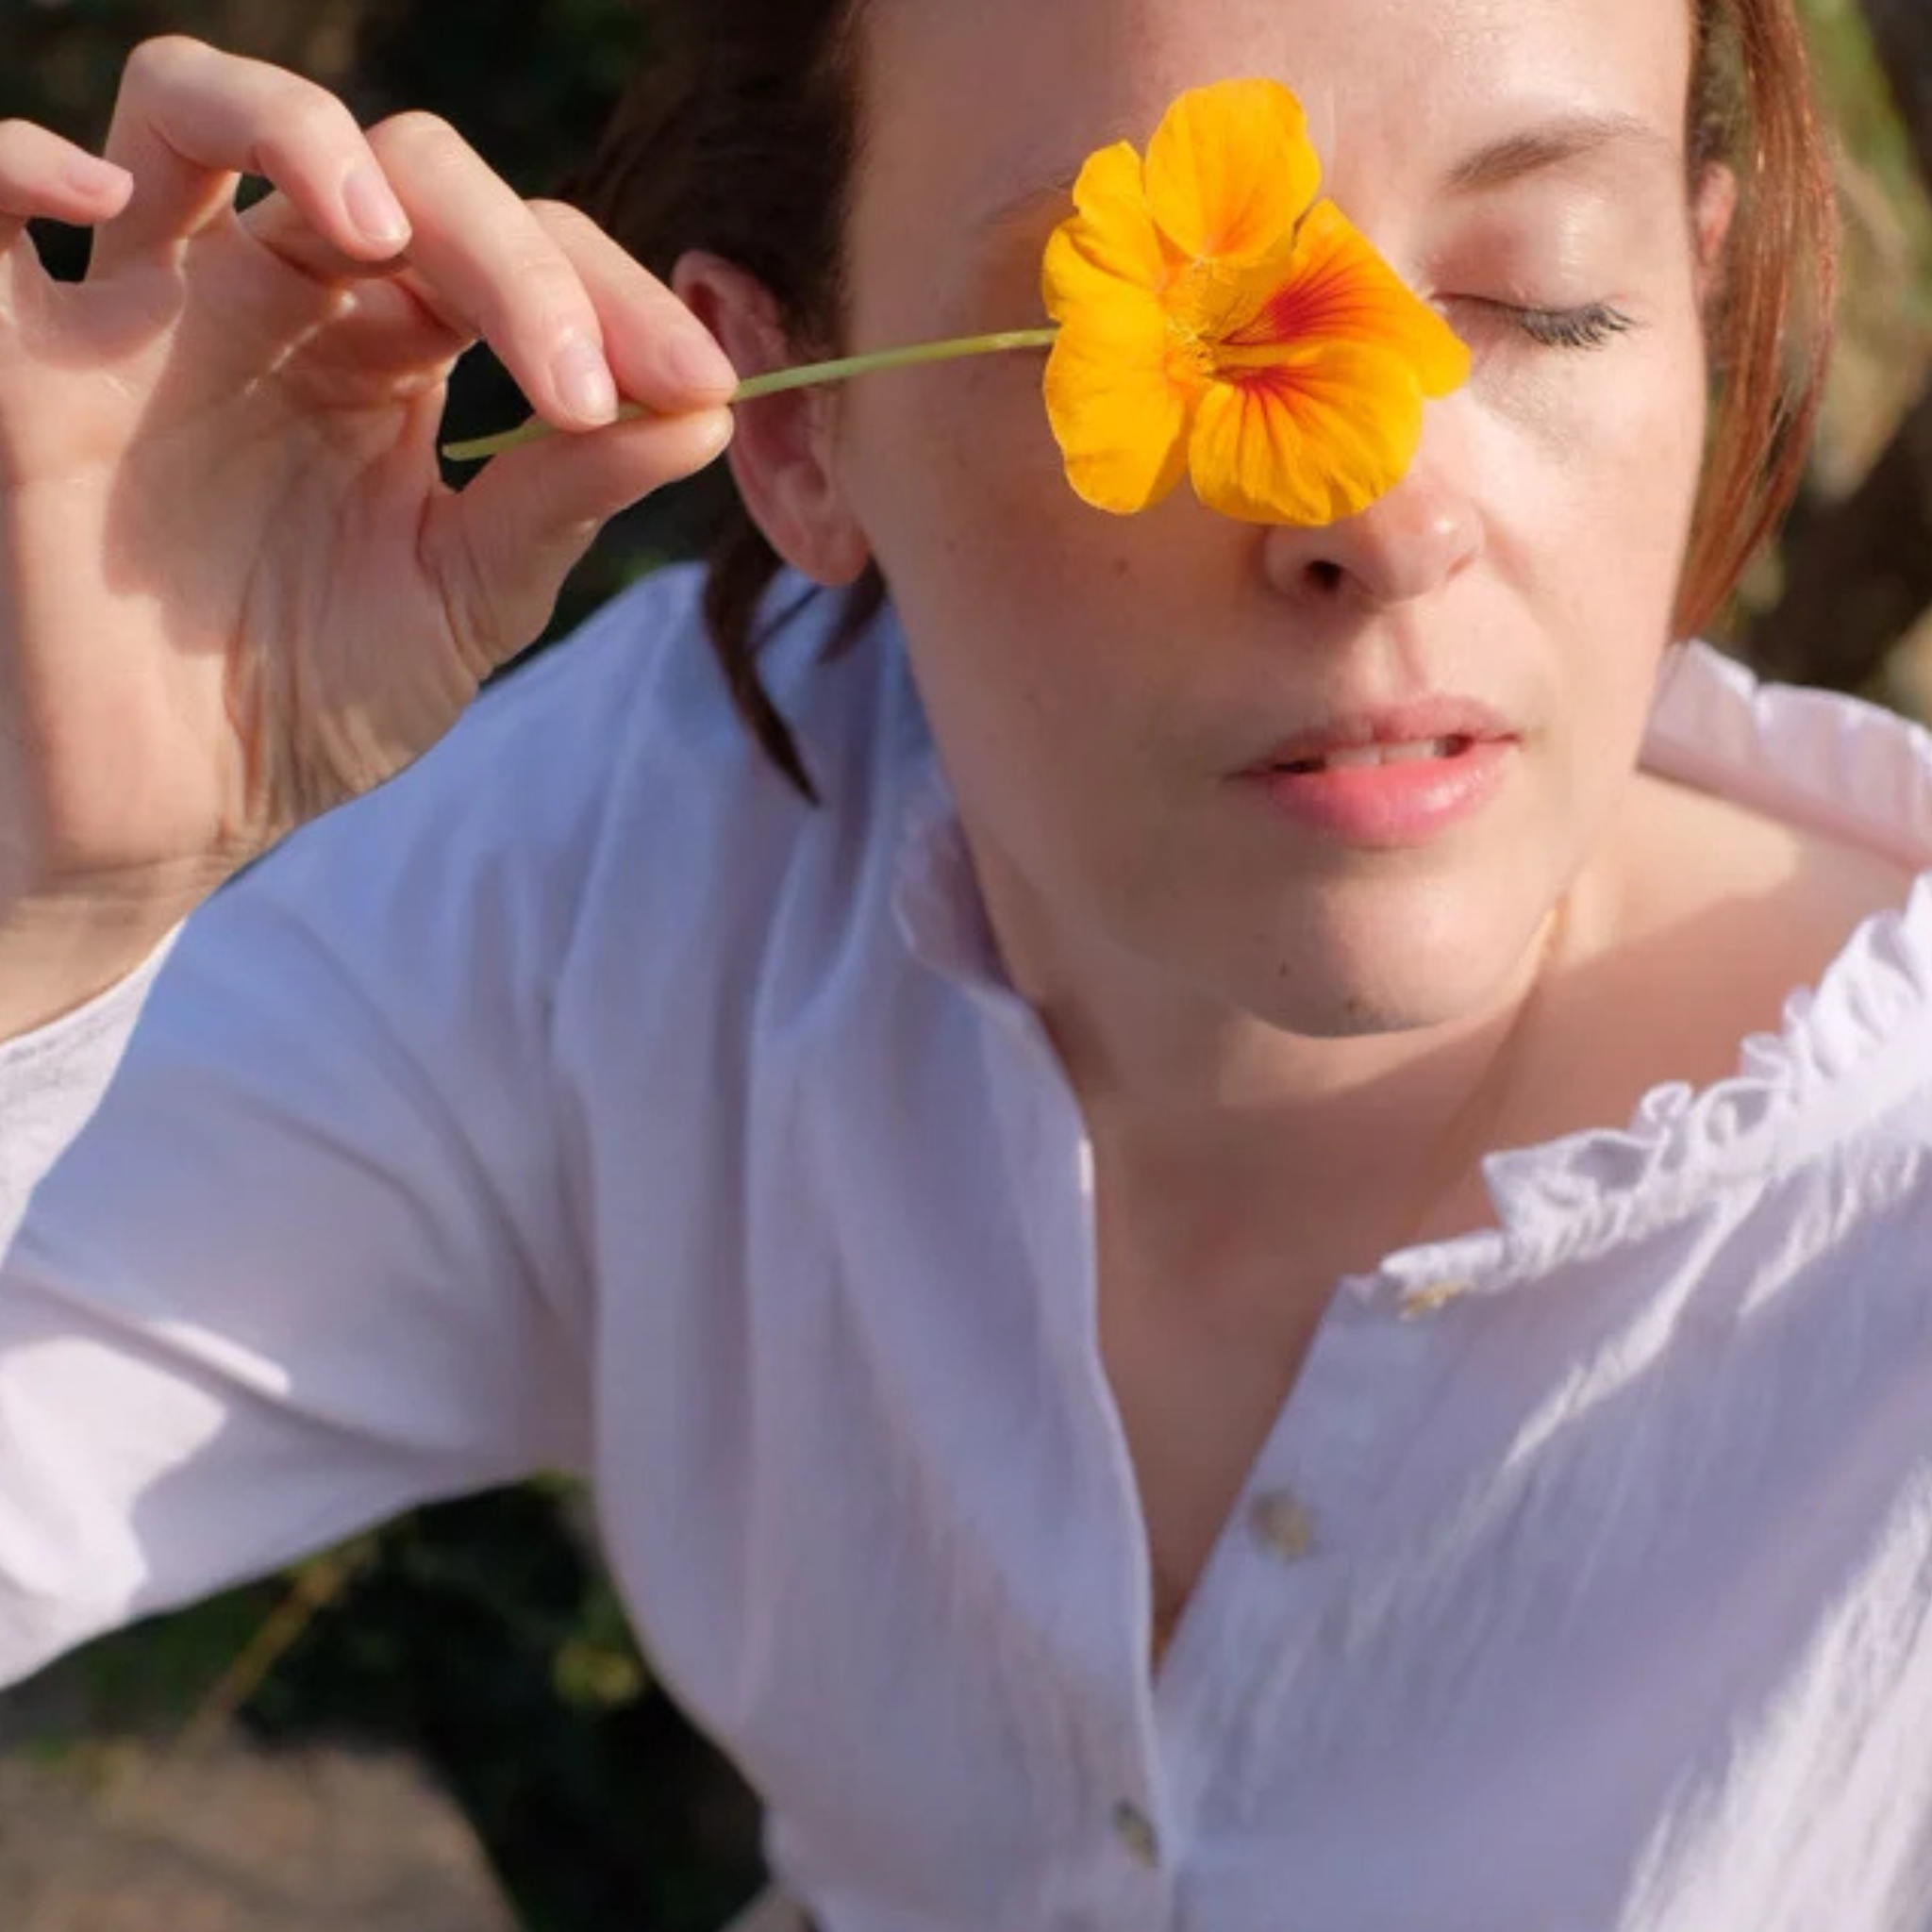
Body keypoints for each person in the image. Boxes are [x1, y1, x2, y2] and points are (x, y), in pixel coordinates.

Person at [2, 0, 1931, 1925]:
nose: (1379, 511)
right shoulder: (635, 881)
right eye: (1116, 322)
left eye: (1543, 299)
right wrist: (55, 879)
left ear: (1694, 305)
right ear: (792, 417)